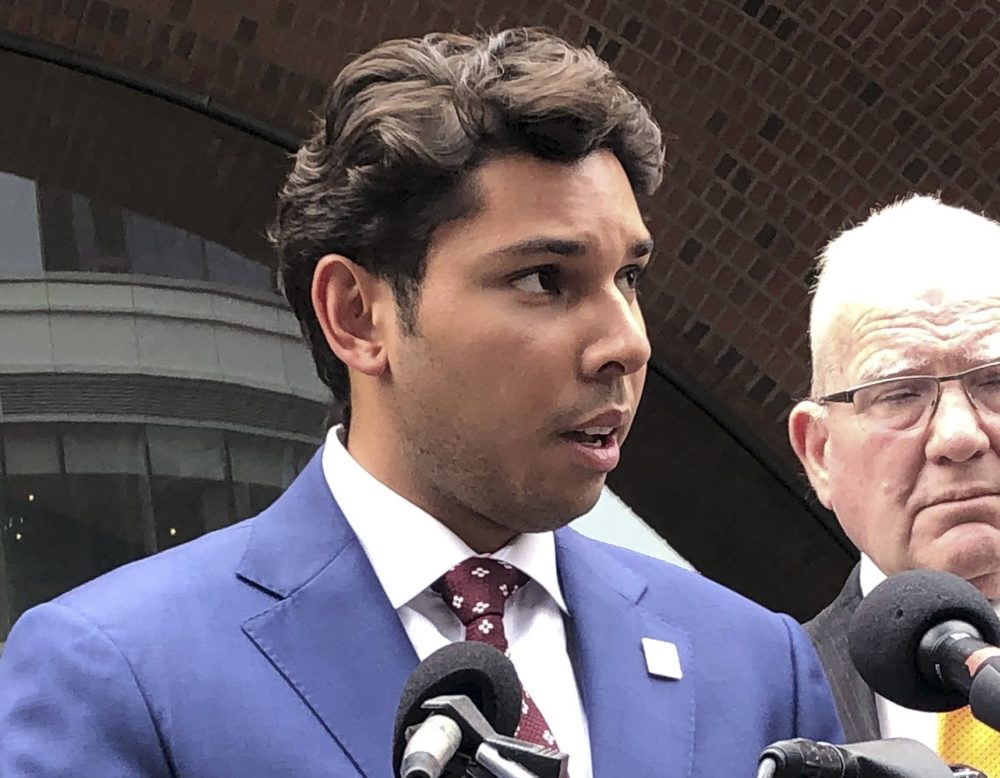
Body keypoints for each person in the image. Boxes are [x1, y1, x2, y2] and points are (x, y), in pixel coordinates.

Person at [0, 29, 842, 776]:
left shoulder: (757, 666)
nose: (627, 341)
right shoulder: (119, 673)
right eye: (546, 279)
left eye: (630, 278)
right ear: (358, 316)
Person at [790, 194, 1000, 762]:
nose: (959, 436)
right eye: (900, 394)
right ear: (820, 452)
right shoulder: (755, 700)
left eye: (998, 382)